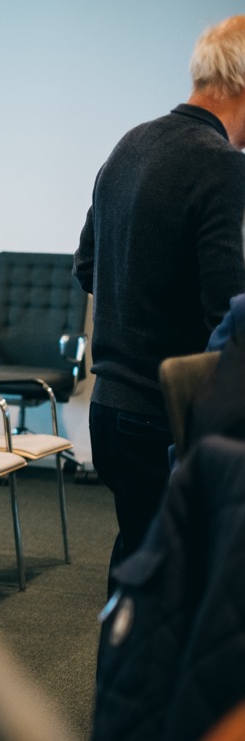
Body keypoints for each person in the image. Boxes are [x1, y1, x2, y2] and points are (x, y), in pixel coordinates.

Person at [72, 14, 245, 578]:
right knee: (177, 584)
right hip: (171, 417)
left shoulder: (131, 143)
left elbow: (86, 267)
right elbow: (228, 308)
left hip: (112, 409)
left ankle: (116, 670)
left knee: (141, 571)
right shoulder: (221, 165)